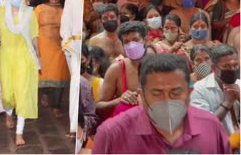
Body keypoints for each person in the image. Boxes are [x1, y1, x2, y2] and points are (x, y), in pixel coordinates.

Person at [92, 53, 232, 154]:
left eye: (175, 92)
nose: (167, 101)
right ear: (141, 95)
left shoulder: (211, 127)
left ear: (189, 93)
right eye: (157, 93)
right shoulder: (111, 135)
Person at [0, 0, 40, 145]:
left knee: (23, 94)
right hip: (6, 56)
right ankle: (8, 112)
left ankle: (19, 132)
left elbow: (35, 35)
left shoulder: (29, 12)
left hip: (24, 57)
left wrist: (38, 55)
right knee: (7, 93)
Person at [96, 21, 147, 120]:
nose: (132, 45)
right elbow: (98, 106)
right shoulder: (116, 69)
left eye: (136, 40)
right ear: (122, 45)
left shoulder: (158, 66)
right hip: (126, 126)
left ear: (145, 40)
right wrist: (119, 100)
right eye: (126, 42)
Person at [34, 0, 70, 117]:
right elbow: (33, 27)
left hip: (59, 46)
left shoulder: (65, 10)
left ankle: (57, 106)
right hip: (42, 46)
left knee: (59, 74)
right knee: (45, 73)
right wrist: (35, 46)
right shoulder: (39, 9)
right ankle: (45, 93)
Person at [190, 44, 240, 136]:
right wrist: (227, 104)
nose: (232, 70)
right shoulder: (199, 90)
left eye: (235, 65)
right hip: (218, 145)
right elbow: (204, 125)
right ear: (213, 68)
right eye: (226, 66)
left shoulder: (239, 83)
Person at [60, 0, 84, 138]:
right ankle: (74, 126)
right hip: (74, 46)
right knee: (76, 84)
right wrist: (67, 42)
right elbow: (66, 19)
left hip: (90, 45)